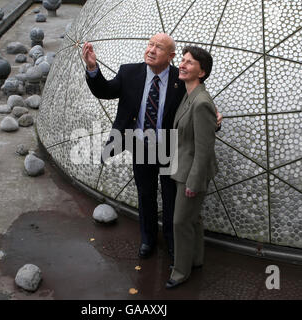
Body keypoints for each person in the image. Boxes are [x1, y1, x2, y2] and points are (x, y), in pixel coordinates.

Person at [82, 34, 222, 261]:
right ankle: (147, 240)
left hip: (170, 149)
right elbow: (105, 91)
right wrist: (92, 69)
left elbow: (199, 110)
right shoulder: (129, 72)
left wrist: (215, 121)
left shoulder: (182, 77)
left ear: (171, 56)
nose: (152, 50)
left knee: (170, 198)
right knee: (145, 195)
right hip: (141, 146)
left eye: (159, 47)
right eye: (150, 45)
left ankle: (171, 241)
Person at [165, 46, 218, 289]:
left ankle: (180, 272)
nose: (183, 65)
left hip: (191, 174)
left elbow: (204, 148)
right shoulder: (189, 95)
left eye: (190, 63)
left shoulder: (201, 103)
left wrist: (194, 183)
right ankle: (195, 260)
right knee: (192, 218)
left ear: (202, 72)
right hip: (183, 168)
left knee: (180, 222)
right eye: (183, 61)